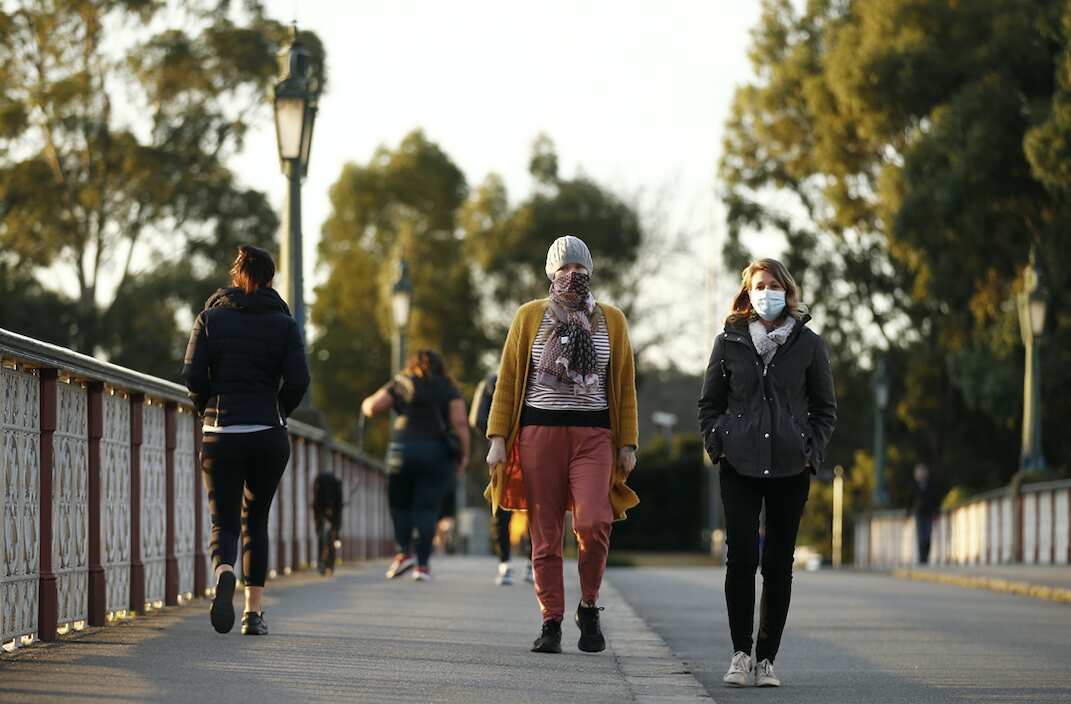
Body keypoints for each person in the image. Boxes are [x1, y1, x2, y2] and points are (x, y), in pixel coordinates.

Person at [485, 235, 639, 655]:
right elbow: (509, 380)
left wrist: (628, 442)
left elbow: (624, 386)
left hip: (594, 436)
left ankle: (588, 605)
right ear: (551, 274)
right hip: (539, 435)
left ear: (590, 272)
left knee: (594, 522)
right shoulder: (529, 316)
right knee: (545, 535)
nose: (572, 274)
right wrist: (498, 439)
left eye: (580, 267)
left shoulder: (612, 320)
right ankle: (551, 620)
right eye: (564, 267)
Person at [698, 258, 836, 687]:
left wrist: (810, 449)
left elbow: (824, 408)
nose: (767, 292)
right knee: (741, 558)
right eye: (759, 285)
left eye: (774, 285)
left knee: (778, 565)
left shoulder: (809, 344)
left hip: (790, 467)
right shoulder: (729, 341)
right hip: (738, 464)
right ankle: (740, 655)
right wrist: (718, 442)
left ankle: (766, 660)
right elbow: (709, 404)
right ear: (747, 292)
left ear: (788, 291)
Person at [182, 244, 310, 637]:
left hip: (221, 432)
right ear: (271, 280)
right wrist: (278, 412)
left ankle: (224, 572)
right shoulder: (285, 324)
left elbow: (192, 378)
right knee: (256, 519)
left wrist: (207, 408)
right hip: (268, 435)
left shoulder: (210, 319)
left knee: (224, 521)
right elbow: (300, 380)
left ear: (236, 277)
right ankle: (252, 614)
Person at [362, 349, 469, 581]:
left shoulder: (403, 382)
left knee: (399, 506)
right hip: (437, 453)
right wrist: (464, 455)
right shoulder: (448, 387)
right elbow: (460, 422)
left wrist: (368, 402)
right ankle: (422, 565)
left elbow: (372, 407)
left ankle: (403, 553)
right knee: (427, 509)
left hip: (403, 451)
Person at [470, 372, 533, 586]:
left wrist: (497, 433)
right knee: (539, 506)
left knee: (501, 507)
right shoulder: (539, 374)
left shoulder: (491, 381)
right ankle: (533, 564)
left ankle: (505, 564)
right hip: (534, 446)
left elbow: (476, 418)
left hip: (502, 449)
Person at [312, 470, 344, 575]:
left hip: (321, 509)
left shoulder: (320, 480)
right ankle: (330, 565)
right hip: (332, 511)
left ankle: (322, 564)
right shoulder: (336, 483)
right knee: (333, 537)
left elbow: (314, 498)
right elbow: (339, 503)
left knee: (321, 537)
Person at [910, 463, 941, 564]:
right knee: (920, 535)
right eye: (919, 472)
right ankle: (921, 557)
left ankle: (926, 556)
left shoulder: (931, 485)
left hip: (929, 513)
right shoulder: (913, 486)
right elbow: (909, 500)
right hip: (919, 513)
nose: (921, 474)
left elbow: (936, 499)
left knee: (927, 535)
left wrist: (936, 513)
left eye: (922, 472)